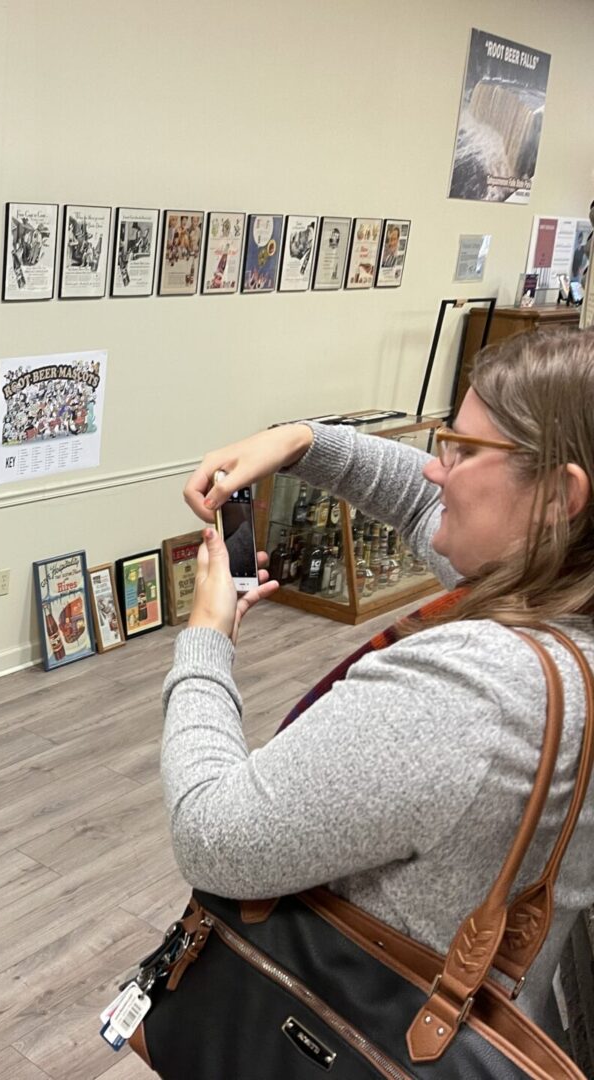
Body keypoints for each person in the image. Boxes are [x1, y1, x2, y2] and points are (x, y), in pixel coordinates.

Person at [167, 329, 594, 1035]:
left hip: (350, 1031)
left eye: (463, 450)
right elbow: (421, 501)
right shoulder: (562, 598)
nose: (435, 469)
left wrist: (207, 638)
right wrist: (300, 441)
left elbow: (215, 834)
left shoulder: (479, 698)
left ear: (556, 494)